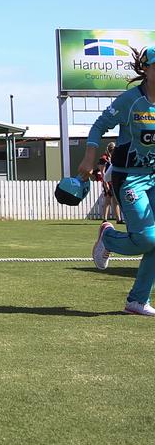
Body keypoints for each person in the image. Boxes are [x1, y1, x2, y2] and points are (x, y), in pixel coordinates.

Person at [80, 46, 155, 316]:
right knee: (148, 239)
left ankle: (137, 301)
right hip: (129, 178)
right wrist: (89, 159)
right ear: (145, 69)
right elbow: (98, 126)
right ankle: (109, 238)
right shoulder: (130, 101)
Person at [94, 142, 122, 224]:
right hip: (107, 180)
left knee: (116, 200)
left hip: (114, 180)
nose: (113, 151)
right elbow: (102, 172)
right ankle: (105, 219)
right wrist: (105, 183)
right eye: (112, 149)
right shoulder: (104, 158)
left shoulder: (115, 157)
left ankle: (118, 219)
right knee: (108, 199)